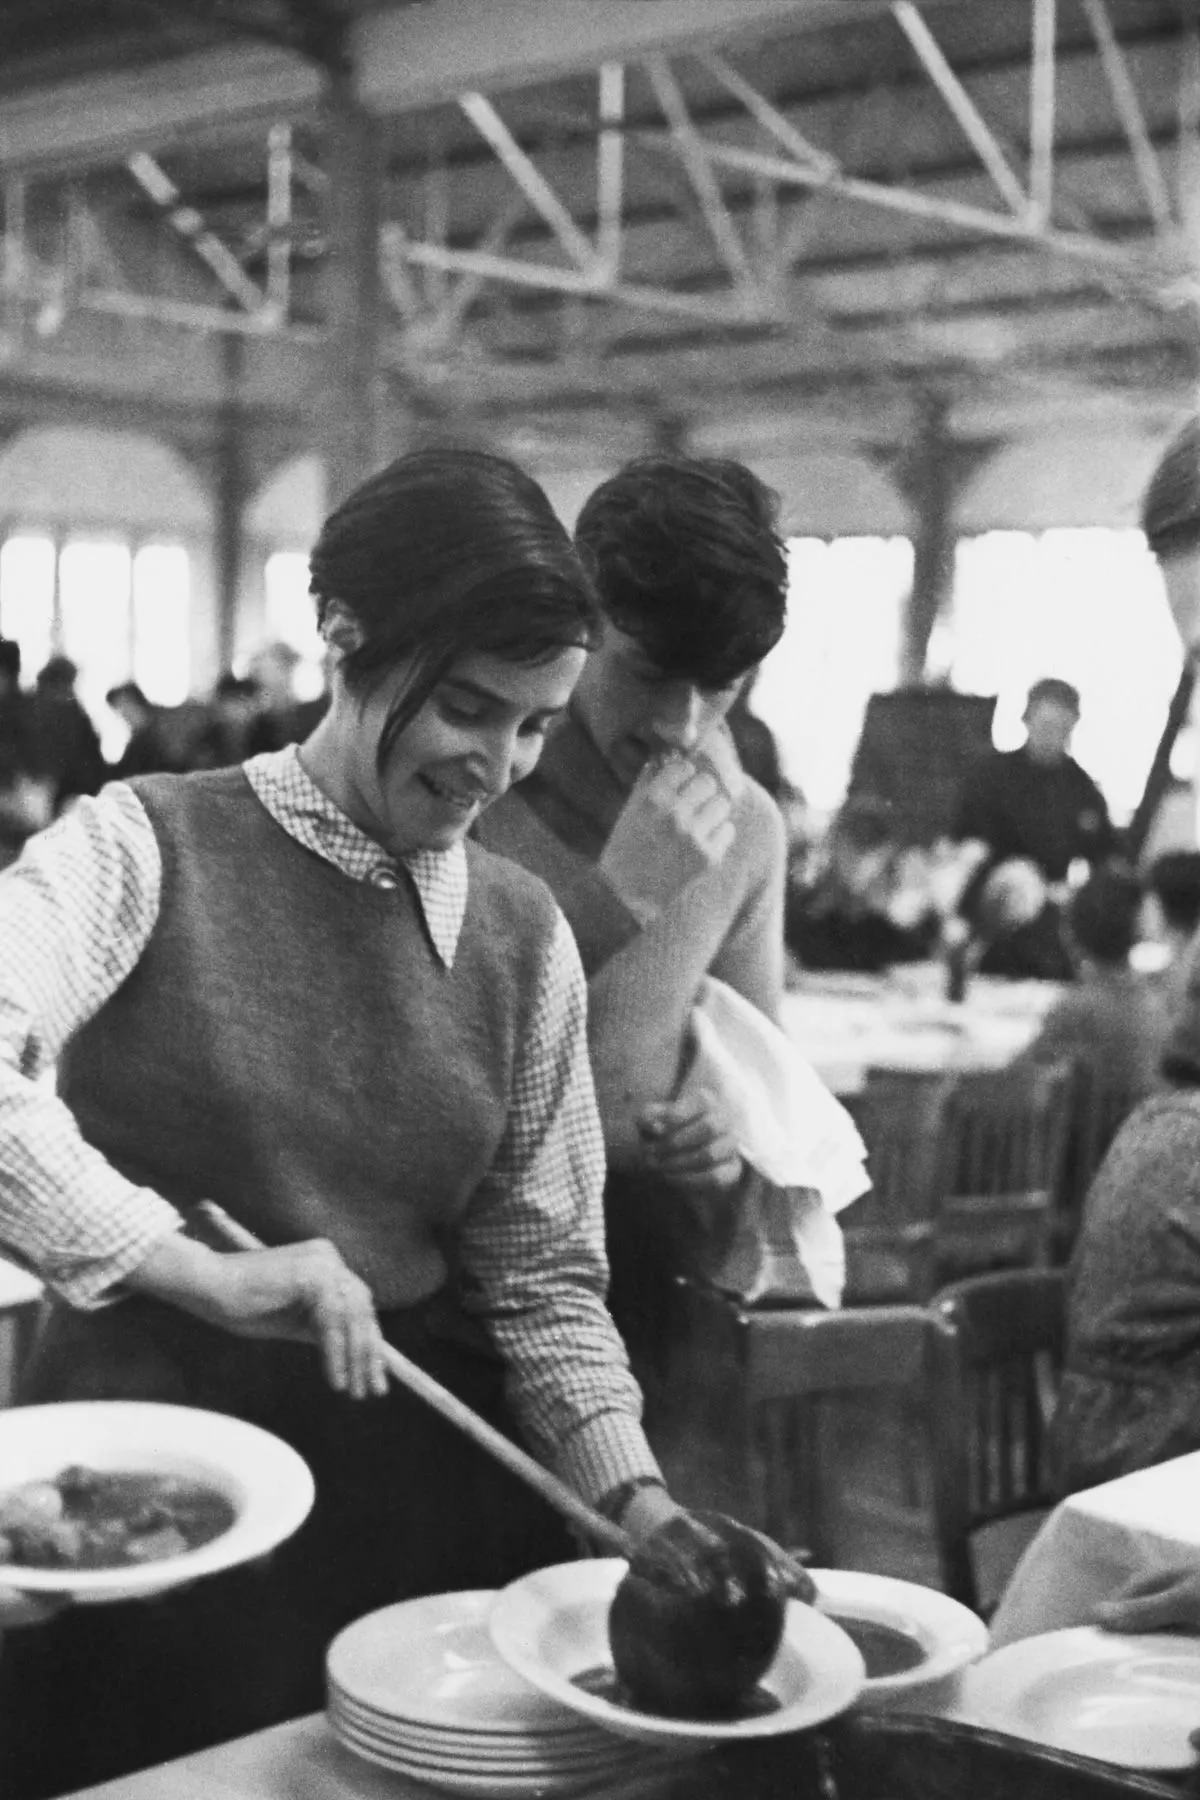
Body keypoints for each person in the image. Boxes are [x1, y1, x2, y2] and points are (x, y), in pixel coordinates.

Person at [0, 448, 785, 1799]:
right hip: (143, 1484)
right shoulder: (145, 845)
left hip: (404, 1481)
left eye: (535, 723)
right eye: (469, 710)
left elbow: (543, 1286)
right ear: (346, 641)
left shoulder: (521, 933)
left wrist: (635, 1498)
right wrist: (202, 1271)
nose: (499, 766)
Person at [476, 454, 859, 1405]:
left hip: (641, 1270)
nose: (682, 727)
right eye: (647, 673)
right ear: (576, 622)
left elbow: (751, 1069)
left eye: (723, 686)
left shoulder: (748, 828)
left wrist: (721, 1132)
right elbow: (411, 1042)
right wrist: (623, 899)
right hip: (458, 1261)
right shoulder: (472, 782)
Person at [953, 676, 1117, 980]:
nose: (1051, 735)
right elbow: (964, 842)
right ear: (1027, 720)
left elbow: (1105, 859)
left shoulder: (1081, 789)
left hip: (1049, 908)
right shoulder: (991, 776)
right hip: (987, 900)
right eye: (1045, 725)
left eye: (1061, 728)